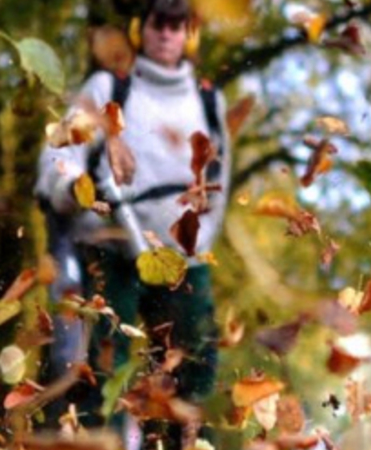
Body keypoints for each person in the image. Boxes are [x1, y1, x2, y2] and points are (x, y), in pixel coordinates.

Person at [35, 0, 230, 447]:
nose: (167, 33)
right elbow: (61, 154)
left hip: (182, 260)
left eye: (177, 25)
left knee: (194, 370)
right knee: (100, 369)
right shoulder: (109, 87)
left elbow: (219, 181)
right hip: (110, 249)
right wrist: (75, 188)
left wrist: (198, 241)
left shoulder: (207, 100)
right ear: (143, 28)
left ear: (189, 33)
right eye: (159, 23)